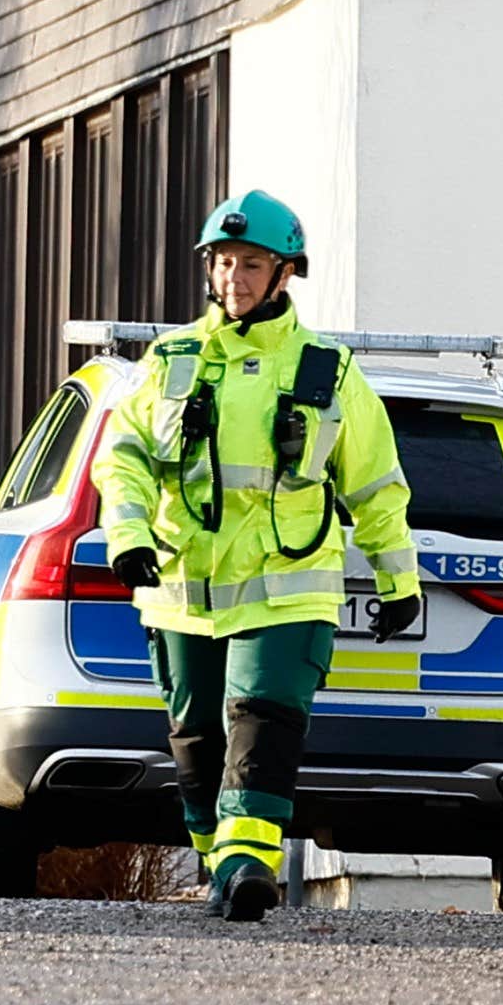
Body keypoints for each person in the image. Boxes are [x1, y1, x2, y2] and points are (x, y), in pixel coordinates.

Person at [92, 190, 420, 923]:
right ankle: (220, 860)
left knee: (261, 717)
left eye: (252, 264)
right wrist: (129, 535)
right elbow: (123, 460)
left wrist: (400, 581)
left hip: (288, 593)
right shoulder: (171, 362)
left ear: (285, 274)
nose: (235, 277)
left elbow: (375, 482)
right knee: (198, 736)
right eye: (225, 263)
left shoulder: (328, 373)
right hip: (185, 589)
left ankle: (249, 863)